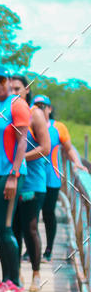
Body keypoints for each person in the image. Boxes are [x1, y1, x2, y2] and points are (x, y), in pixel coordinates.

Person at [0, 65, 31, 292]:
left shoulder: (17, 105)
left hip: (8, 175)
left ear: (10, 81)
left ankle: (16, 283)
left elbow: (22, 142)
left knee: (6, 227)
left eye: (2, 80)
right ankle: (5, 280)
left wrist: (14, 174)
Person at [32, 95, 87, 261]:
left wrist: (77, 163)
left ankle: (48, 250)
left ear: (50, 109)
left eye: (43, 106)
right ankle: (31, 250)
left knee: (48, 214)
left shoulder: (59, 127)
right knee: (30, 216)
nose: (40, 109)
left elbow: (69, 149)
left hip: (52, 178)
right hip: (33, 177)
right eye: (37, 106)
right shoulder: (29, 126)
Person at [10, 75, 50, 292]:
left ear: (26, 90)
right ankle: (15, 275)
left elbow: (45, 148)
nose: (14, 92)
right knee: (13, 229)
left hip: (32, 183)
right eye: (10, 89)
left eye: (18, 89)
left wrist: (19, 158)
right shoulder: (7, 113)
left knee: (30, 228)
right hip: (12, 181)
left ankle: (36, 274)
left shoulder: (34, 113)